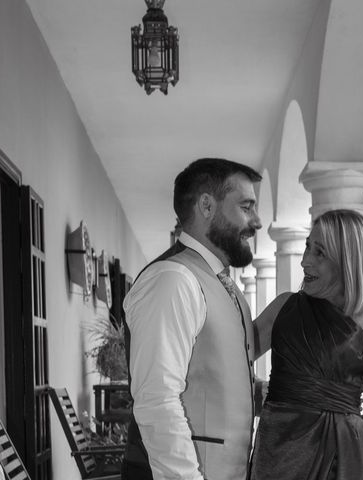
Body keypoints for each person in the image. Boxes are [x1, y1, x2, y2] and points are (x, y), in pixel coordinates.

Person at [121, 158, 263, 480]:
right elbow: (157, 399)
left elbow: (219, 364)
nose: (257, 221)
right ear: (207, 206)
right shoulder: (173, 279)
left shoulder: (224, 285)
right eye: (246, 206)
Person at [249, 209, 363, 480]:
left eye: (320, 253)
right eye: (308, 247)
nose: (305, 261)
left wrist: (334, 435)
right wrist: (266, 396)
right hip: (275, 457)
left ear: (349, 260)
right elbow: (233, 358)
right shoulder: (284, 307)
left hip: (337, 463)